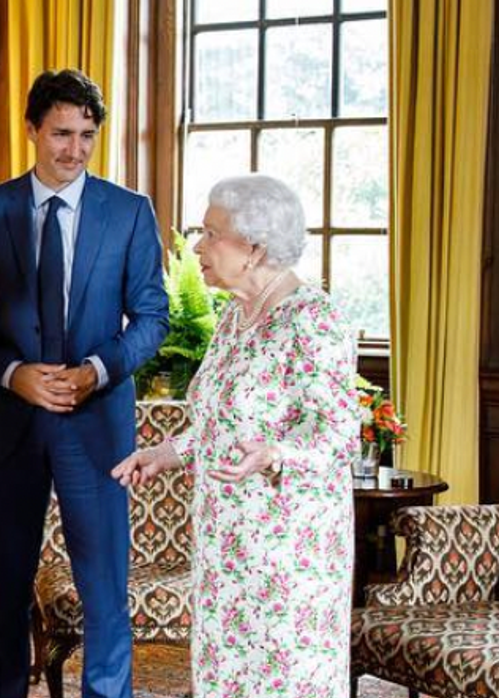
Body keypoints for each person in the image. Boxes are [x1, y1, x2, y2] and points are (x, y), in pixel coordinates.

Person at [0, 69, 169, 698]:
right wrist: (14, 376)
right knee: (7, 586)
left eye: (87, 136)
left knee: (103, 588)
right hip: (12, 426)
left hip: (96, 427)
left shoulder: (129, 213)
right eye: (62, 134)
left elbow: (152, 317)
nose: (74, 149)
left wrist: (95, 370)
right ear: (33, 131)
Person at [111, 175, 359, 698]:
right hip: (226, 545)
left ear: (253, 247)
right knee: (227, 679)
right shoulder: (236, 318)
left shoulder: (314, 318)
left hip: (289, 551)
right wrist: (168, 451)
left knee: (284, 680)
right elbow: (216, 422)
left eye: (210, 232)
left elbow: (339, 434)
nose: (196, 246)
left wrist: (276, 452)